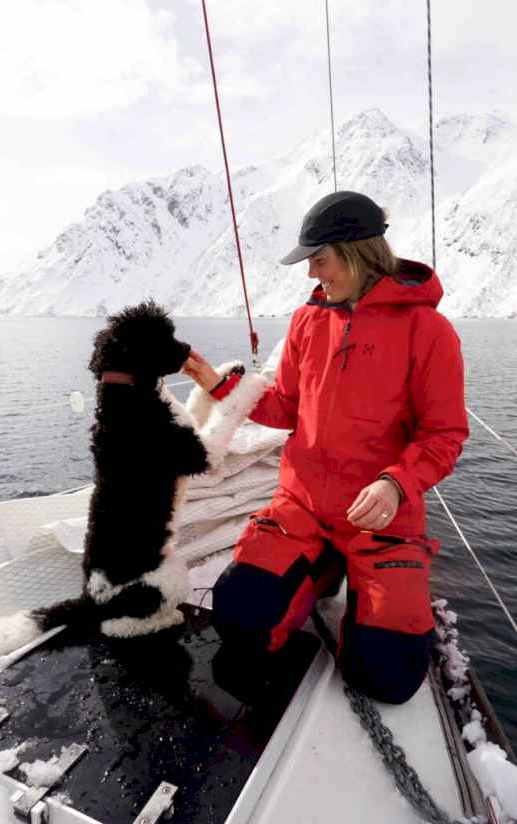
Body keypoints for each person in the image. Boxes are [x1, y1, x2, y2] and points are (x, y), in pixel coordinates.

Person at [182, 190, 469, 705]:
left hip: (381, 520)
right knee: (237, 613)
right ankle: (326, 566)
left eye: (320, 259)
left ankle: (346, 573)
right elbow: (285, 408)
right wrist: (220, 386)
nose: (312, 273)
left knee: (387, 677)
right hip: (304, 508)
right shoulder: (306, 322)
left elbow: (444, 434)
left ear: (357, 252)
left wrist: (396, 483)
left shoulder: (430, 331)